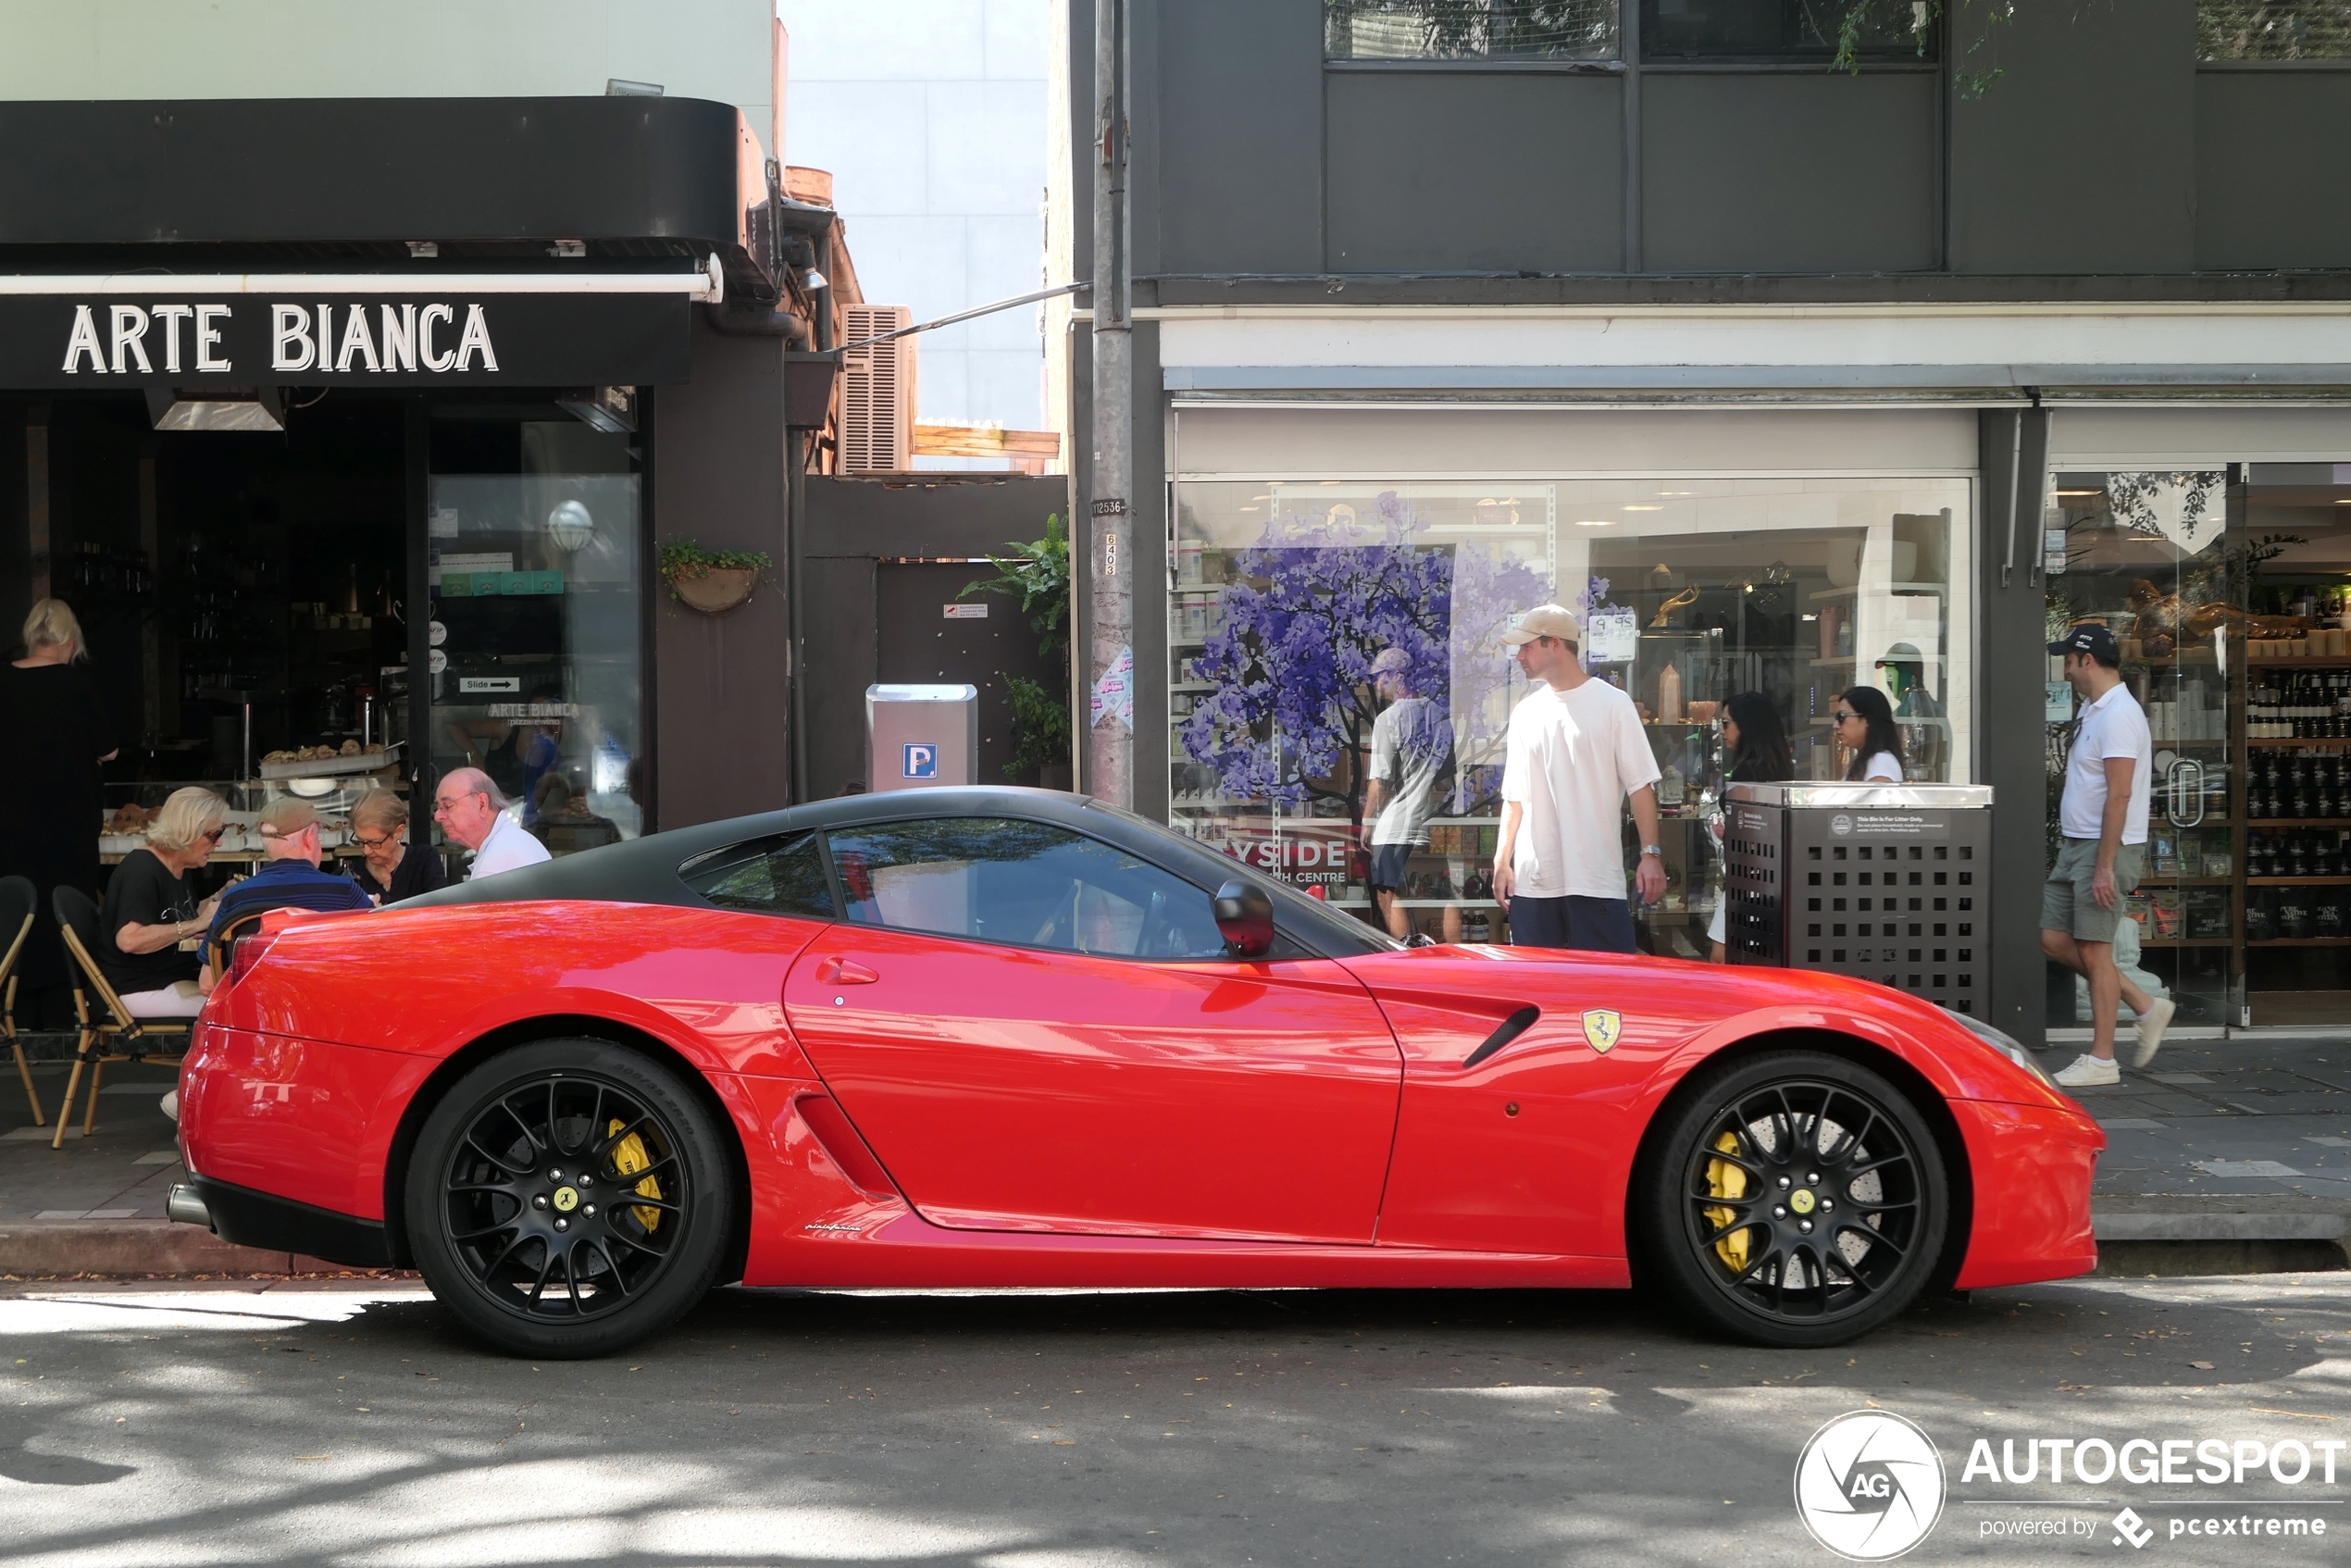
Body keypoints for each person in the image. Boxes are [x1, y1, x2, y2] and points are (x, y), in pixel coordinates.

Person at [2041, 623, 2172, 1087]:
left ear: (2086, 661)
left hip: (2102, 848)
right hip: (2078, 843)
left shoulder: (2118, 714)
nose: (2065, 667)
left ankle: (2102, 1060)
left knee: (2095, 952)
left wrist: (2104, 867)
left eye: (2068, 659)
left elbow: (2119, 796)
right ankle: (2143, 1004)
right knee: (2054, 939)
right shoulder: (2095, 708)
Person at [1491, 605, 1666, 952]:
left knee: (1606, 993)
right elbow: (1515, 797)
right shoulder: (1526, 712)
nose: (1520, 656)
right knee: (1539, 993)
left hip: (1596, 879)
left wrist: (1651, 855)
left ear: (1554, 644)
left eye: (1527, 647)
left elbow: (1640, 786)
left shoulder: (1613, 704)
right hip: (1535, 882)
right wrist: (1501, 861)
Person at [0, 599, 120, 1026]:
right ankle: (63, 1006)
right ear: (70, 642)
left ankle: (12, 1007)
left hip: (9, 825)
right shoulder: (75, 685)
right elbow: (109, 749)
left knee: (17, 909)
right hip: (68, 822)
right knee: (64, 908)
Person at [198, 798, 371, 983]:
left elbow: (207, 983)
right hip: (327, 1006)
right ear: (309, 838)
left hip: (257, 1009)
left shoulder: (235, 897)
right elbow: (376, 959)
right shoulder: (345, 892)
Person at [97, 786, 226, 1019]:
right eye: (214, 834)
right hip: (137, 987)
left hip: (166, 978)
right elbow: (129, 939)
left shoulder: (178, 864)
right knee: (236, 1008)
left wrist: (220, 898)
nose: (219, 843)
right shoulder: (143, 870)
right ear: (187, 832)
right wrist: (198, 924)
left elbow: (177, 914)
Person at [1362, 647, 1458, 943]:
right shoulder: (1439, 716)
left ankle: (1407, 958)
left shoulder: (1388, 719)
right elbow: (1447, 779)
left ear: (1397, 676)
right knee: (1444, 896)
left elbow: (1380, 781)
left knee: (1388, 895)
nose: (1377, 684)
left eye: (1381, 677)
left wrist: (1366, 821)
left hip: (1395, 824)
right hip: (1429, 822)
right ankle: (1454, 958)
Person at [1708, 691, 1794, 963]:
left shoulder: (1748, 772)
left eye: (1726, 724)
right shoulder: (1778, 767)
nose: (1722, 731)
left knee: (1722, 956)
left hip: (1749, 876)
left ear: (1746, 726)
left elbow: (1751, 831)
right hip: (1769, 876)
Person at [434, 766, 552, 879]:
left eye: (447, 806)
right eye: (438, 807)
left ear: (482, 804)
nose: (437, 817)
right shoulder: (511, 840)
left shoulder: (496, 862)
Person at [345, 789, 445, 905]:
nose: (366, 851)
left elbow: (440, 911)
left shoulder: (424, 860)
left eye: (375, 843)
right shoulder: (350, 875)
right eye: (361, 841)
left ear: (399, 832)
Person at [1833, 686, 1905, 782]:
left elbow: (1877, 797)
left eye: (1842, 717)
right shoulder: (1874, 760)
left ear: (1867, 720)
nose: (1835, 725)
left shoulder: (1881, 761)